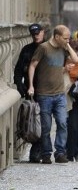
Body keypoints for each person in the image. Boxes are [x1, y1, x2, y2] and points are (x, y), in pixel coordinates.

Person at [27, 25, 78, 164]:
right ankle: (46, 154)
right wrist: (31, 85)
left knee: (62, 123)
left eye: (69, 38)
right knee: (46, 127)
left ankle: (60, 152)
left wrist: (67, 46)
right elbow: (32, 66)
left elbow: (75, 60)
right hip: (44, 94)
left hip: (60, 93)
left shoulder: (63, 48)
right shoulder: (43, 48)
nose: (68, 40)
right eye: (65, 38)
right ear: (56, 37)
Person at [13, 23, 45, 163]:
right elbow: (18, 70)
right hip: (31, 91)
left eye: (38, 33)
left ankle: (40, 150)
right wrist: (21, 87)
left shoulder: (49, 48)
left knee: (44, 122)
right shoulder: (26, 49)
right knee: (32, 122)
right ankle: (37, 149)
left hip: (46, 90)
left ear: (43, 32)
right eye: (33, 34)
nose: (36, 35)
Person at [65, 40, 78, 162]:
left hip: (76, 96)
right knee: (65, 125)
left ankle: (77, 152)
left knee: (77, 125)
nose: (74, 52)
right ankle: (67, 151)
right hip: (63, 93)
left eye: (77, 50)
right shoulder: (62, 61)